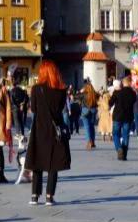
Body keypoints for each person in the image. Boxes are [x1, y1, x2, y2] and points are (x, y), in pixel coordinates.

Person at [25, 61, 72, 206]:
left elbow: (33, 109)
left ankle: (34, 196)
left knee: (37, 162)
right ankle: (49, 196)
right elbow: (61, 108)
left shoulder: (36, 89)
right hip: (55, 130)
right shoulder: (61, 90)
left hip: (40, 129)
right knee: (53, 164)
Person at [110, 74, 138, 160]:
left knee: (115, 134)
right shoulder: (133, 93)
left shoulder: (117, 92)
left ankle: (119, 148)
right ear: (130, 83)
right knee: (126, 135)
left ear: (123, 83)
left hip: (117, 116)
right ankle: (124, 154)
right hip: (128, 117)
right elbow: (134, 101)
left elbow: (110, 103)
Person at [81, 78, 98, 149]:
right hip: (93, 110)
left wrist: (81, 91)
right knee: (92, 126)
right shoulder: (94, 94)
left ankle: (89, 141)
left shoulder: (84, 94)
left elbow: (76, 97)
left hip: (85, 110)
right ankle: (93, 142)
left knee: (86, 126)